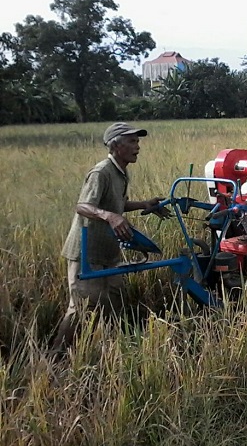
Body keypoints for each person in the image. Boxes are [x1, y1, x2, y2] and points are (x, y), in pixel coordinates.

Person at [52, 122, 169, 353]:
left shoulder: (121, 171)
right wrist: (110, 217)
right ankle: (55, 357)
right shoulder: (101, 171)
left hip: (108, 251)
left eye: (138, 141)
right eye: (132, 141)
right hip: (87, 251)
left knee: (114, 302)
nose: (138, 147)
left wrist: (145, 204)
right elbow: (83, 206)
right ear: (116, 145)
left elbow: (117, 204)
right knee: (81, 308)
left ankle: (113, 352)